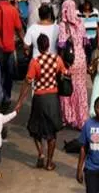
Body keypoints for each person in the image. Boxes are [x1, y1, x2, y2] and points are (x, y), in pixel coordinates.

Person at [15, 34, 66, 170]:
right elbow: (64, 72)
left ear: (37, 46)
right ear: (49, 45)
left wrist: (20, 101)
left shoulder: (35, 62)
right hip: (53, 98)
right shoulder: (57, 59)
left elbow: (27, 82)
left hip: (39, 98)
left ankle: (41, 154)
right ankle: (49, 162)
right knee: (52, 132)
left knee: (35, 128)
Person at [58, 0, 89, 129]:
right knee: (80, 89)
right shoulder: (80, 22)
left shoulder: (63, 25)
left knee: (67, 89)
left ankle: (69, 117)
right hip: (81, 60)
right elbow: (86, 42)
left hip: (69, 62)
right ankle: (82, 119)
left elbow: (61, 44)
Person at [0, 0, 25, 105]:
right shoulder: (13, 9)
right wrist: (24, 43)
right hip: (10, 47)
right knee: (9, 74)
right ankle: (7, 97)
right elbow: (19, 28)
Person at [79, 0, 99, 64]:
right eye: (85, 3)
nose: (87, 4)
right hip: (82, 40)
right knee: (84, 58)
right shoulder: (78, 13)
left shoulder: (95, 12)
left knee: (93, 59)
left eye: (88, 2)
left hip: (93, 39)